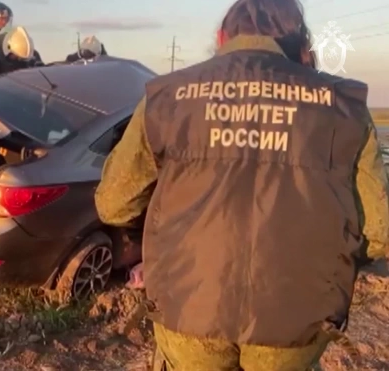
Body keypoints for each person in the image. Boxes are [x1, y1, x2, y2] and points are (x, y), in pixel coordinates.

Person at [94, 0, 389, 369]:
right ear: (301, 44)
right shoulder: (344, 106)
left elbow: (113, 204)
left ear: (221, 38)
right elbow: (378, 231)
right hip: (298, 316)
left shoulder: (168, 96)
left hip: (189, 307)